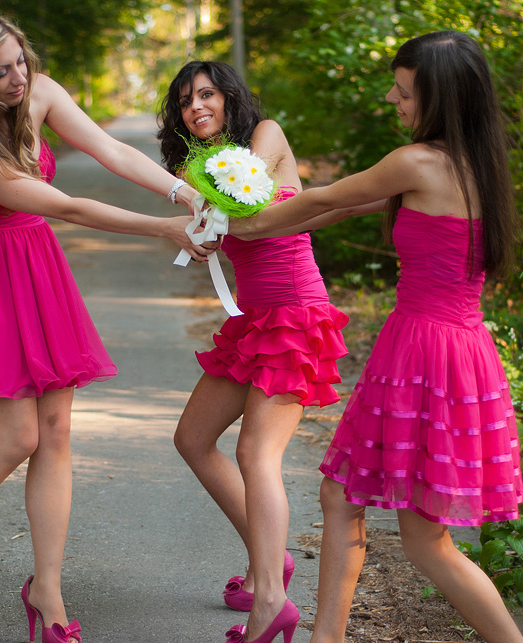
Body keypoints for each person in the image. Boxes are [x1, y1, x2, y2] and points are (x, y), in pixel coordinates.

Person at [0, 9, 212, 643]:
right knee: (16, 435)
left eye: (20, 61)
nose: (18, 79)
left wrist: (185, 193)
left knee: (57, 431)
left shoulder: (36, 90)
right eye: (0, 72)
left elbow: (111, 149)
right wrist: (163, 228)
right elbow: (68, 206)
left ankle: (48, 588)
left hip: (34, 265)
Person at [229, 31, 523, 643]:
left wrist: (246, 224)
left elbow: (326, 196)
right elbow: (341, 208)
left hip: (423, 350)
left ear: (441, 98)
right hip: (462, 350)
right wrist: (259, 218)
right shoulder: (477, 165)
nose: (393, 98)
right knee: (369, 510)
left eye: (404, 90)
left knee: (413, 533)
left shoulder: (416, 162)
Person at [157, 61, 349, 643]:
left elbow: (244, 203)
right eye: (185, 101)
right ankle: (271, 560)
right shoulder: (197, 166)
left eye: (206, 94)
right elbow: (213, 219)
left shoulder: (264, 136)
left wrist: (201, 204)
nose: (196, 107)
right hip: (253, 321)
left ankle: (269, 599)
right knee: (193, 438)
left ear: (230, 98)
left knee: (256, 452)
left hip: (295, 315)